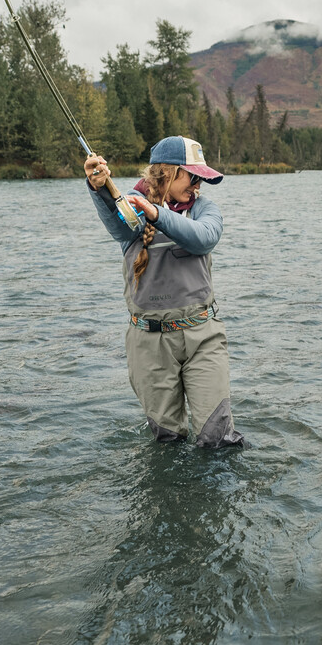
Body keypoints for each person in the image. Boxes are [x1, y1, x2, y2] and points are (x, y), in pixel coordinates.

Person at [84, 136, 244, 448]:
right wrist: (99, 187)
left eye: (201, 178)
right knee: (166, 441)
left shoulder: (205, 210)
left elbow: (203, 238)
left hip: (203, 338)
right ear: (166, 172)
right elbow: (119, 226)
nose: (197, 185)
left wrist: (156, 213)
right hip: (148, 345)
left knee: (218, 440)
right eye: (192, 176)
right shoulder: (131, 206)